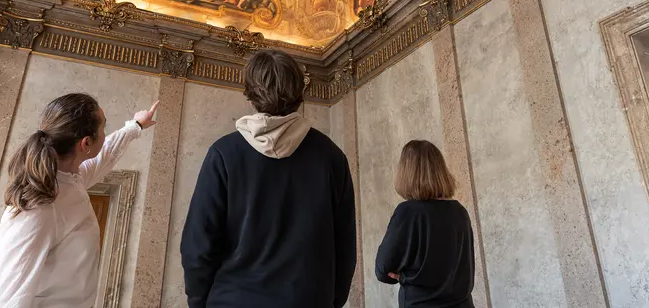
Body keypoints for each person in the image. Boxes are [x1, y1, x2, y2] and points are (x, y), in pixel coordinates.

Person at [181, 50, 357, 308]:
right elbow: (345, 248)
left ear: (250, 97)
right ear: (299, 95)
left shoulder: (223, 154)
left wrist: (199, 302)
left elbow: (198, 246)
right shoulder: (332, 158)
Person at [0, 94, 160, 308]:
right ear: (86, 143)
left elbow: (106, 154)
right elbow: (0, 300)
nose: (105, 133)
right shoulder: (42, 205)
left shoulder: (70, 178)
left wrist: (136, 125)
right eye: (103, 127)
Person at [375, 140, 475, 308]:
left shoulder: (408, 212)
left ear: (406, 172)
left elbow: (383, 268)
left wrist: (405, 277)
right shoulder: (460, 212)